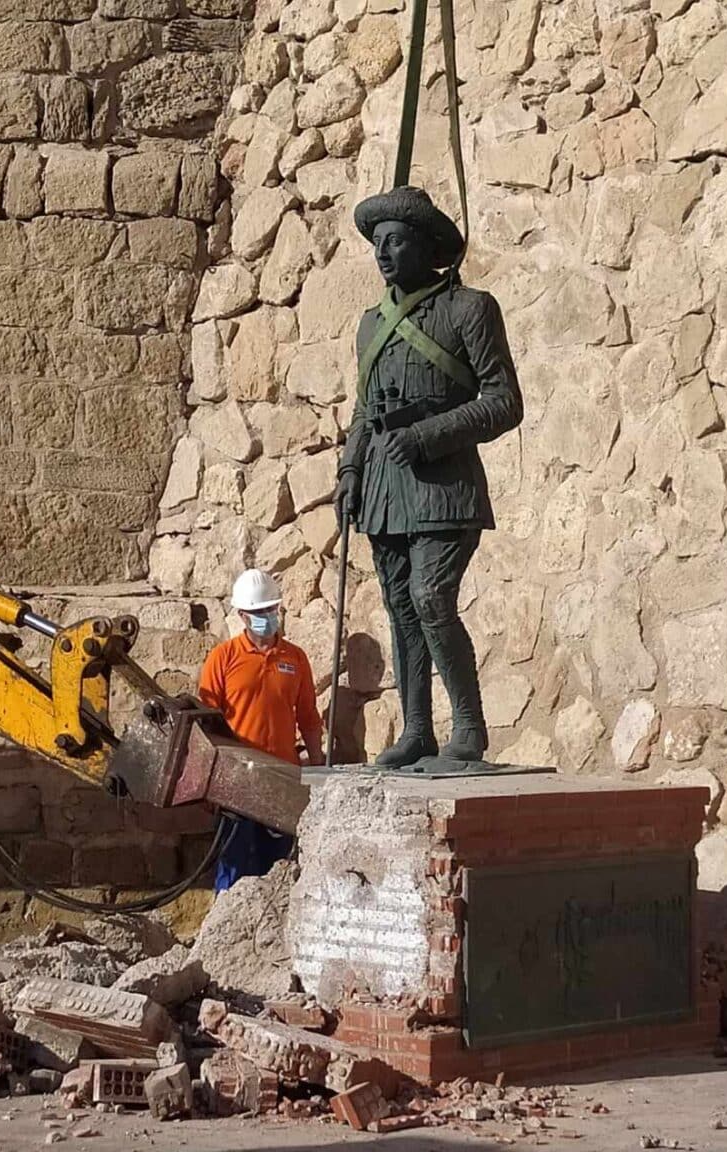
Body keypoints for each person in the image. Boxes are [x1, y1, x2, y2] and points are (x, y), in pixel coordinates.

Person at [334, 186, 523, 769]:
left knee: (431, 596)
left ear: (426, 247)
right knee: (399, 605)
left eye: (395, 241)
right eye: (377, 244)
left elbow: (504, 402)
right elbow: (365, 409)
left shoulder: (469, 309)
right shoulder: (371, 325)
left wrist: (425, 434)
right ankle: (418, 728)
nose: (383, 253)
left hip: (445, 488)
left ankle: (468, 726)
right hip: (386, 491)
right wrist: (349, 468)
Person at [198, 568, 324, 892]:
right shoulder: (223, 658)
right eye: (258, 612)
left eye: (270, 610)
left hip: (283, 778)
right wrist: (210, 782)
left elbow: (308, 717)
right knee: (235, 863)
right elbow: (207, 723)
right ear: (242, 615)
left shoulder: (295, 658)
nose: (266, 617)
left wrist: (319, 766)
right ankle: (226, 933)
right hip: (237, 781)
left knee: (279, 868)